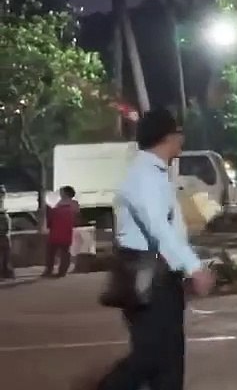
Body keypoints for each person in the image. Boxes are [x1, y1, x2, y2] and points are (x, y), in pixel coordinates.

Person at [98, 109, 215, 390]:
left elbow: (170, 229)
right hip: (146, 277)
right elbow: (158, 228)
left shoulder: (155, 173)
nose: (182, 139)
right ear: (167, 137)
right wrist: (194, 268)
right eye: (178, 133)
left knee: (170, 357)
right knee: (152, 356)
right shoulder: (144, 176)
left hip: (160, 275)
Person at [44, 185, 80, 277]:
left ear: (66, 193)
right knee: (62, 252)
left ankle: (51, 270)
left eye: (61, 192)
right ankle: (60, 271)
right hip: (63, 232)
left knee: (53, 252)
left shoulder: (61, 205)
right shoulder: (73, 205)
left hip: (58, 231)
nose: (60, 193)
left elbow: (52, 217)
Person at [0, 185, 13, 279]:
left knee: (5, 255)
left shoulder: (2, 205)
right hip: (3, 235)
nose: (3, 195)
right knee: (5, 255)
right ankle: (6, 272)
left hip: (4, 234)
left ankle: (6, 272)